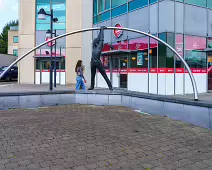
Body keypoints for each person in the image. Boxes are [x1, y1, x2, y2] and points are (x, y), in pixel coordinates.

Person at [88, 26, 113, 91]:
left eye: (95, 40)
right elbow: (99, 38)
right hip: (92, 62)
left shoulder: (100, 46)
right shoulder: (94, 46)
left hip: (98, 62)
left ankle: (110, 86)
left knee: (104, 75)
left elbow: (101, 38)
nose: (94, 40)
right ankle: (92, 86)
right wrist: (100, 30)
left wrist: (102, 30)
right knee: (92, 76)